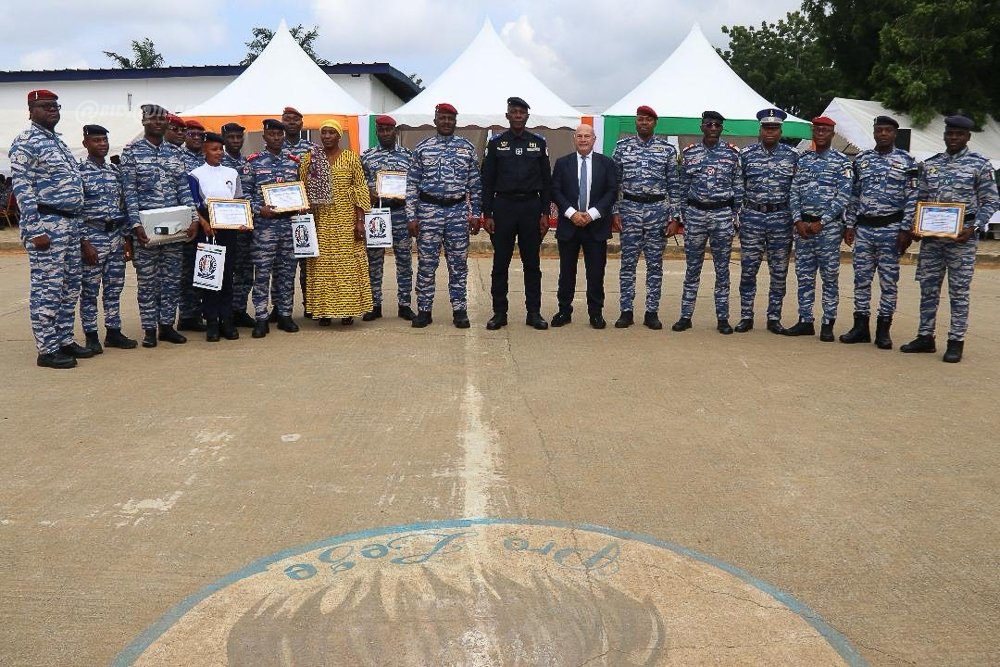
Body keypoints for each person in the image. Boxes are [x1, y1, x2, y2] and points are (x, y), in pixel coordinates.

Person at [901, 114, 999, 362]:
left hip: (961, 239)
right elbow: (920, 199)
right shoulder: (931, 165)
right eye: (949, 134)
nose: (953, 138)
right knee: (928, 289)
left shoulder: (980, 165)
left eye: (958, 134)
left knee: (959, 291)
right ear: (945, 135)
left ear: (967, 137)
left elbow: (991, 201)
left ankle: (956, 341)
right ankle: (925, 336)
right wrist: (915, 225)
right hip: (932, 239)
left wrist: (974, 227)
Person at [8, 89, 89, 369]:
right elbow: (23, 189)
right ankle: (47, 349)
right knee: (48, 288)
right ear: (31, 110)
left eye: (56, 106)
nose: (53, 110)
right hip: (47, 225)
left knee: (69, 286)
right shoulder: (26, 142)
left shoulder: (58, 142)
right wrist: (34, 229)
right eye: (46, 106)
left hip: (70, 223)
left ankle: (64, 340)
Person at [120, 103, 198, 348]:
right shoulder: (131, 152)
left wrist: (194, 218)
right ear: (143, 121)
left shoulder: (175, 153)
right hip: (146, 228)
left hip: (174, 228)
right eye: (152, 119)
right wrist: (135, 225)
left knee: (172, 279)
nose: (157, 123)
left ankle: (166, 326)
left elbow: (184, 190)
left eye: (162, 119)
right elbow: (129, 193)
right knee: (148, 281)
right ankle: (149, 329)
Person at [840, 115, 918, 349]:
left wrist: (906, 230)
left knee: (888, 282)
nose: (883, 134)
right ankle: (860, 327)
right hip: (864, 228)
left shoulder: (907, 161)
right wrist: (850, 224)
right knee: (861, 280)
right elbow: (854, 195)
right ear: (873, 133)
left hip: (891, 229)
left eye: (888, 131)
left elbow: (913, 198)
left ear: (895, 134)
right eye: (879, 130)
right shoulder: (862, 160)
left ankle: (884, 330)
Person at [405, 102, 482, 328]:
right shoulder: (423, 148)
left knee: (458, 264)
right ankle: (424, 310)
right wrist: (411, 216)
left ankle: (459, 309)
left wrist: (475, 213)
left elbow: (475, 185)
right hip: (428, 213)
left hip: (457, 212)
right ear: (435, 119)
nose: (446, 122)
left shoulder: (466, 148)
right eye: (443, 117)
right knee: (427, 264)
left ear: (455, 122)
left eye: (450, 118)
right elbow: (412, 184)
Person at [480, 96, 551, 331]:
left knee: (532, 264)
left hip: (531, 207)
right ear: (507, 115)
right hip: (504, 208)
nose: (518, 115)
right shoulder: (496, 143)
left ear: (527, 117)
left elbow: (547, 182)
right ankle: (499, 313)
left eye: (522, 112)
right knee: (500, 263)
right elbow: (487, 181)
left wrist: (544, 213)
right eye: (514, 112)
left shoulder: (538, 143)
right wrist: (487, 213)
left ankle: (534, 312)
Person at [672, 110, 743, 335]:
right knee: (693, 269)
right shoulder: (690, 153)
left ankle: (723, 318)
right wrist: (682, 215)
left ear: (722, 129)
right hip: (696, 215)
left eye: (717, 125)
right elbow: (682, 187)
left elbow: (739, 188)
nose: (713, 129)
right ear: (701, 127)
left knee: (722, 269)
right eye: (709, 125)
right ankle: (686, 316)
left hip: (722, 215)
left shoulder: (732, 154)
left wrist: (735, 216)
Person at [611, 105, 680, 330]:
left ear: (654, 123)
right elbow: (614, 183)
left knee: (654, 265)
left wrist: (674, 217)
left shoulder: (667, 150)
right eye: (640, 119)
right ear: (635, 122)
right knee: (627, 264)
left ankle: (652, 312)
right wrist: (615, 211)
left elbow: (674, 186)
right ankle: (626, 311)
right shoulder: (622, 148)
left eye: (648, 120)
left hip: (657, 212)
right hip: (630, 210)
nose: (644, 123)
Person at [784, 116, 851, 341]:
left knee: (829, 276)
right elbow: (793, 191)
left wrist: (822, 222)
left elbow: (843, 196)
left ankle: (828, 322)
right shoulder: (803, 160)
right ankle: (805, 320)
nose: (820, 134)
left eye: (825, 130)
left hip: (828, 229)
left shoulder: (842, 162)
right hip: (803, 226)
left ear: (833, 134)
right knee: (804, 276)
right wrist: (797, 220)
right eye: (817, 130)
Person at [299, 119, 373, 325]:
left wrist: (360, 221)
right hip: (320, 221)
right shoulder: (310, 159)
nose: (327, 136)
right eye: (324, 133)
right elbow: (302, 190)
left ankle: (348, 310)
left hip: (346, 219)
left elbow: (360, 189)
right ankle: (323, 311)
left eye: (332, 133)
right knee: (322, 265)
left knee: (347, 266)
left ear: (339, 136)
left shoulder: (351, 158)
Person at [735, 108, 799, 334]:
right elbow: (738, 186)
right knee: (748, 269)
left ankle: (774, 317)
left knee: (779, 270)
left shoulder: (793, 156)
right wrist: (739, 215)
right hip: (752, 217)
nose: (770, 131)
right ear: (760, 129)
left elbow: (796, 189)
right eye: (766, 127)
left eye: (774, 128)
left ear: (781, 130)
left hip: (781, 218)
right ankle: (746, 315)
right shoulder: (747, 154)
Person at [77, 124, 138, 354]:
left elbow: (123, 208)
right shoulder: (79, 172)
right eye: (96, 140)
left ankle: (113, 331)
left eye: (104, 140)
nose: (102, 144)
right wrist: (84, 243)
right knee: (90, 290)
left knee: (114, 288)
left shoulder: (115, 172)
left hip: (115, 236)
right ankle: (91, 335)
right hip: (92, 236)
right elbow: (76, 211)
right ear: (86, 144)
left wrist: (126, 241)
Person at [550, 123, 617, 329]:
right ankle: (564, 311)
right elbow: (556, 190)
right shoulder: (563, 163)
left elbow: (611, 191)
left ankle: (595, 313)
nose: (583, 139)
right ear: (574, 139)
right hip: (570, 225)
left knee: (596, 273)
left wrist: (591, 214)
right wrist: (572, 214)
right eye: (579, 136)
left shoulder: (607, 163)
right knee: (566, 272)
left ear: (594, 139)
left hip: (596, 226)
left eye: (587, 136)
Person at [243, 119, 303, 338]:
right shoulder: (253, 163)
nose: (277, 138)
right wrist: (260, 210)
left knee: (287, 272)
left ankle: (285, 314)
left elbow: (301, 191)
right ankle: (261, 316)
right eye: (272, 134)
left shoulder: (293, 162)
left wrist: (300, 205)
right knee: (262, 273)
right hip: (264, 228)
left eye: (280, 134)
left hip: (288, 226)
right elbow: (245, 196)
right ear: (264, 137)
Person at [188, 132, 246, 342]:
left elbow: (238, 200)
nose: (219, 153)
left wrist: (242, 221)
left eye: (220, 149)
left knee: (227, 275)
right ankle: (212, 321)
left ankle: (226, 320)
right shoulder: (195, 174)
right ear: (204, 150)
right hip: (207, 230)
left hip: (229, 230)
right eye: (214, 149)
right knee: (209, 275)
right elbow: (193, 204)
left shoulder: (231, 172)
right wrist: (204, 223)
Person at [360, 114, 415, 321]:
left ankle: (404, 304)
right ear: (377, 132)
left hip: (400, 212)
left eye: (388, 130)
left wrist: (407, 198)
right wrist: (369, 193)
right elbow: (359, 183)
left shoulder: (409, 156)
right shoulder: (367, 157)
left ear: (395, 131)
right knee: (374, 260)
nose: (385, 133)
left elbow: (415, 183)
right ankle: (375, 305)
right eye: (381, 130)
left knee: (404, 260)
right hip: (377, 213)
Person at [282, 106, 320, 316]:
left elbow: (319, 179)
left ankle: (310, 305)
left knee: (308, 264)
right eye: (287, 119)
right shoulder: (275, 146)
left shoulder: (312, 149)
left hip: (307, 215)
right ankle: (281, 309)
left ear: (302, 124)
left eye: (296, 119)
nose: (292, 122)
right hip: (283, 216)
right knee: (284, 267)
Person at [221, 121, 255, 328]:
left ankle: (239, 309)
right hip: (224, 229)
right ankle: (225, 313)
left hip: (245, 229)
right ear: (224, 138)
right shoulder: (218, 163)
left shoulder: (247, 164)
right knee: (226, 272)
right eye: (231, 137)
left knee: (244, 271)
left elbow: (251, 193)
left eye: (238, 137)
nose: (235, 141)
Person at [178, 119, 208, 333]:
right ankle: (188, 315)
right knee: (188, 270)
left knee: (206, 266)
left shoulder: (208, 158)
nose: (196, 138)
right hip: (190, 221)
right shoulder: (180, 159)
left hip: (210, 221)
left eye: (200, 135)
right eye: (192, 134)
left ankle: (201, 311)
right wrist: (196, 218)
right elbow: (184, 195)